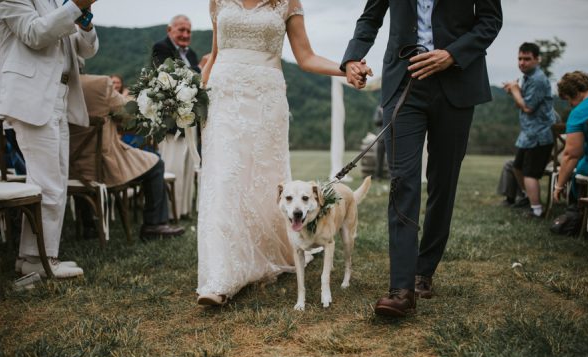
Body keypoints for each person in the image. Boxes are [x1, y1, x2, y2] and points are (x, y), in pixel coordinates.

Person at [342, 0, 502, 317]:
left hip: (457, 81)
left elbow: (490, 20)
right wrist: (351, 59)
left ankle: (423, 271)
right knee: (403, 181)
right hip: (404, 83)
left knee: (444, 182)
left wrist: (452, 54)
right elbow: (370, 17)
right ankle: (401, 289)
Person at [197, 0, 344, 305]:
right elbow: (216, 52)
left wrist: (345, 69)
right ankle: (222, 278)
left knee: (264, 180)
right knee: (225, 179)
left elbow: (306, 57)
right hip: (223, 96)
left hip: (266, 98)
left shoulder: (287, 3)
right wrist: (195, 97)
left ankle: (270, 250)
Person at [0, 0, 99, 278]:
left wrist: (86, 21)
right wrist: (74, 6)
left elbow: (86, 50)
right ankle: (37, 261)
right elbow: (35, 33)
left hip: (60, 96)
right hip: (31, 95)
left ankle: (37, 257)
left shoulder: (58, 2)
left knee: (55, 181)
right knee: (46, 182)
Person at [70, 74, 185, 241]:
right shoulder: (99, 84)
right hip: (104, 165)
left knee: (85, 170)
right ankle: (153, 225)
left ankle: (89, 226)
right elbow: (127, 113)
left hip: (69, 168)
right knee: (156, 164)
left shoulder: (58, 81)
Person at [152, 15, 201, 220]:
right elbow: (171, 75)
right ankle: (169, 213)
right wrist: (199, 69)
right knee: (172, 165)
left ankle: (183, 210)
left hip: (190, 118)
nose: (185, 35)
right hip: (171, 119)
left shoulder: (192, 54)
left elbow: (195, 82)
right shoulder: (161, 48)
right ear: (169, 30)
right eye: (181, 30)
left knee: (188, 165)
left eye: (188, 31)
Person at [503, 42, 555, 218]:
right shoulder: (527, 77)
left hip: (540, 134)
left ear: (537, 60)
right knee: (517, 167)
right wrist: (514, 91)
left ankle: (537, 210)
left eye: (527, 59)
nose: (522, 63)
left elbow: (527, 107)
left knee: (530, 174)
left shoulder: (538, 79)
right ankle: (527, 197)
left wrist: (515, 91)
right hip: (528, 134)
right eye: (520, 58)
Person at [553, 71, 588, 204]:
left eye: (568, 99)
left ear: (576, 93)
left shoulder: (579, 112)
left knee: (578, 169)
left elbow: (571, 154)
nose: (570, 105)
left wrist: (559, 186)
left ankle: (579, 212)